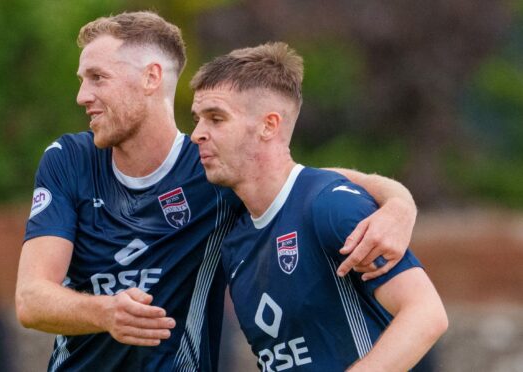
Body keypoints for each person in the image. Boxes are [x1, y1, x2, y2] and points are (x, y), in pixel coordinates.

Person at [15, 11, 418, 371]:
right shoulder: (69, 159)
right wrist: (106, 313)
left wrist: (399, 204)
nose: (82, 95)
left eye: (97, 78)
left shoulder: (212, 168)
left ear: (151, 78)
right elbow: (31, 300)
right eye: (83, 80)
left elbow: (299, 180)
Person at [190, 42, 448, 371]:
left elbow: (426, 314)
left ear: (269, 125)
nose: (198, 133)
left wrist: (400, 203)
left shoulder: (329, 205)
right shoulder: (234, 233)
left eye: (216, 118)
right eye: (198, 119)